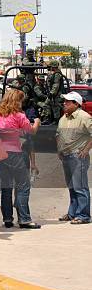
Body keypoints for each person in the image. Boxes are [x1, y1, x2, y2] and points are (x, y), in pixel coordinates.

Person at [0, 89, 42, 229]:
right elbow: (31, 131)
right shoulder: (19, 115)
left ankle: (7, 218)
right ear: (16, 100)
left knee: (6, 187)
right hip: (15, 153)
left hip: (1, 153)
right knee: (23, 186)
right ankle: (24, 219)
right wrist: (37, 122)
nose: (22, 103)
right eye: (20, 100)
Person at [56, 91, 92, 224]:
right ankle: (73, 213)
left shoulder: (84, 117)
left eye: (67, 102)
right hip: (66, 156)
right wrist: (59, 150)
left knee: (80, 187)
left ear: (76, 104)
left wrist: (86, 149)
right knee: (72, 186)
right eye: (64, 101)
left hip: (78, 156)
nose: (64, 104)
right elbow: (58, 135)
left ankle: (83, 215)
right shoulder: (64, 118)